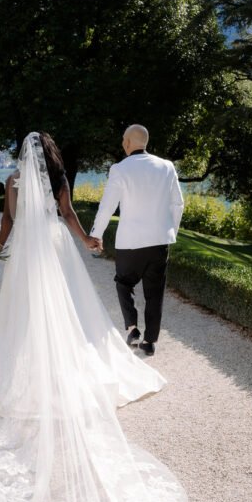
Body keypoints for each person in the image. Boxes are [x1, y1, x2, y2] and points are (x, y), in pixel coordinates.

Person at [0, 132, 188, 502]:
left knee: (24, 311)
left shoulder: (14, 180)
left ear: (23, 156)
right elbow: (70, 215)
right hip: (55, 246)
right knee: (69, 311)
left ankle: (22, 362)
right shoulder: (59, 178)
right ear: (52, 155)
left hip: (26, 252)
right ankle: (63, 356)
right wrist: (88, 242)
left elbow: (8, 223)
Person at [91, 125, 184, 356]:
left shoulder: (119, 169)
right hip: (159, 242)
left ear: (130, 142)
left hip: (130, 242)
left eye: (124, 139)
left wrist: (96, 234)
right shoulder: (167, 166)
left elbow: (107, 206)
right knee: (155, 292)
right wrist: (171, 231)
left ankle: (132, 329)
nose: (123, 142)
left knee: (124, 283)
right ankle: (150, 341)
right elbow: (178, 204)